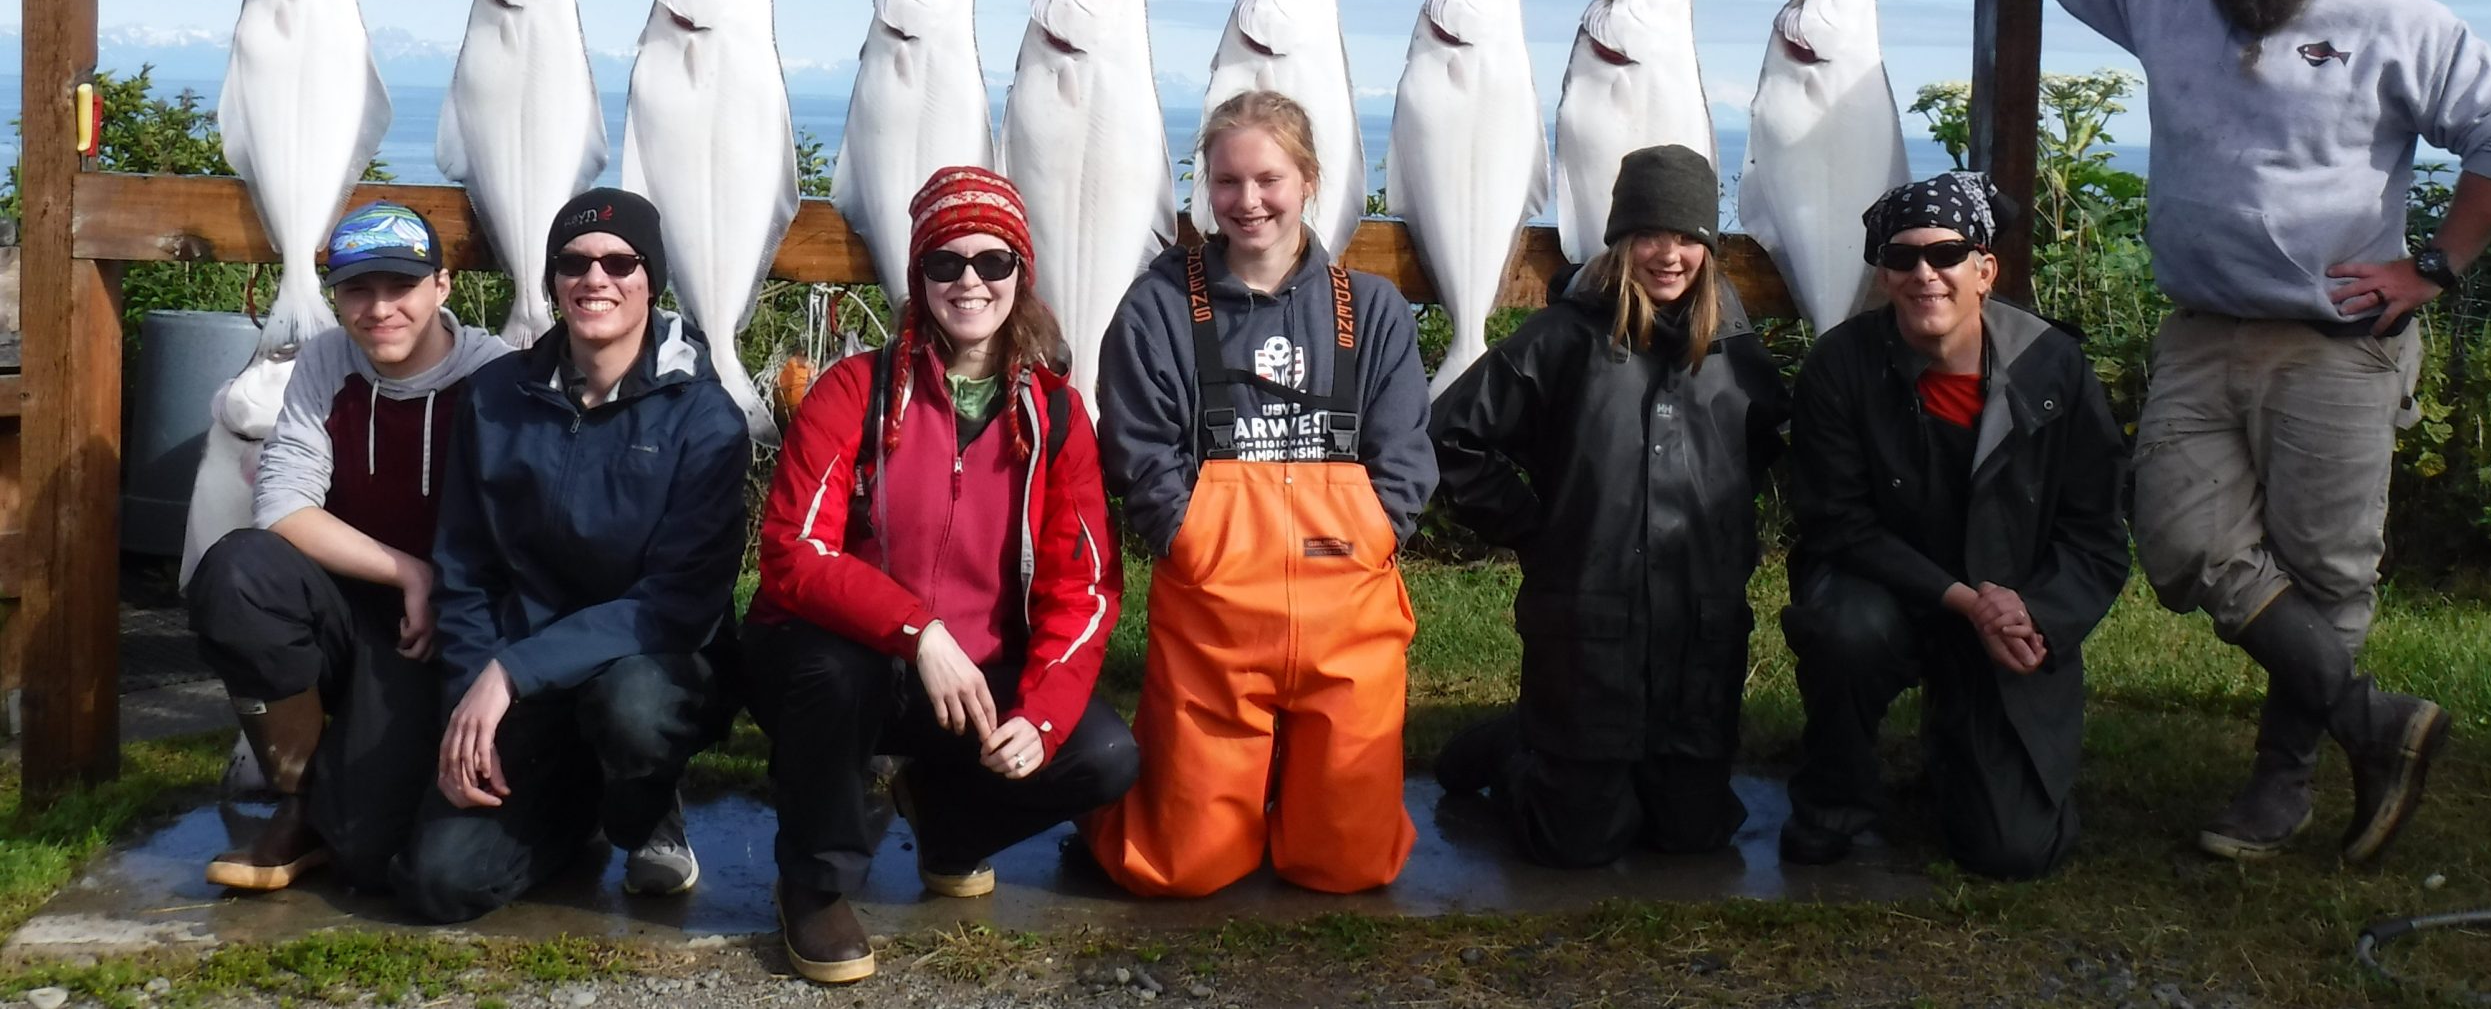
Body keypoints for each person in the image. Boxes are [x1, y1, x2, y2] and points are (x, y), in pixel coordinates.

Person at [1882, 0, 2491, 862]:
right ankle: (2375, 722)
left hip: (2339, 345)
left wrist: (2433, 263)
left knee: (2327, 571)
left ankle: (2280, 786)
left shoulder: (2391, 16)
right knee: (2181, 540)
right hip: (2200, 329)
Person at [746, 165, 1136, 984]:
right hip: (850, 662)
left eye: (993, 262)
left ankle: (950, 823)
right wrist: (917, 631)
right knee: (835, 666)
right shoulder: (853, 390)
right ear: (918, 277)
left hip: (975, 675)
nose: (970, 280)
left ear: (1020, 275)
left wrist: (1043, 715)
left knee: (1102, 754)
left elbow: (1086, 588)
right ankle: (813, 883)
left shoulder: (1058, 414)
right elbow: (790, 551)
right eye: (945, 262)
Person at [1082, 89, 1437, 897]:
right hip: (1212, 621)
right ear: (1205, 187)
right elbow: (1139, 455)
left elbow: (1408, 461)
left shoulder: (1373, 308)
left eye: (1269, 178)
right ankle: (1105, 808)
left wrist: (1371, 536)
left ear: (1309, 178)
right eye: (1226, 181)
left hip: (1349, 620)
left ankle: (1293, 800)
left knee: (1346, 866)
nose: (1249, 201)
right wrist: (1197, 541)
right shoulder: (1157, 309)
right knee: (1178, 867)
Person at [393, 188, 750, 923]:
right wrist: (472, 699)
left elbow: (679, 600)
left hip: (655, 665)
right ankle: (578, 803)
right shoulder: (494, 395)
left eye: (621, 262)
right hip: (525, 680)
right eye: (574, 262)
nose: (596, 278)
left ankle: (645, 808)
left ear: (652, 280)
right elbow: (465, 570)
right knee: (439, 883)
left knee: (632, 707)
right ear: (553, 280)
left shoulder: (706, 416)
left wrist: (510, 670)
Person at [1428, 146, 1787, 867]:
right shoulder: (1560, 339)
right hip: (1587, 634)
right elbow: (1451, 436)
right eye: (1649, 232)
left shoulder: (1739, 353)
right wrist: (1532, 526)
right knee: (1578, 841)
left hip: (1698, 636)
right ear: (1621, 240)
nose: (1669, 252)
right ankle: (1514, 746)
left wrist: (1730, 540)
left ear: (1708, 248)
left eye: (1687, 235)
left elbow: (1768, 454)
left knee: (1693, 834)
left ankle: (1613, 764)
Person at [1781, 173, 2130, 880]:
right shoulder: (1839, 366)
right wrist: (1968, 601)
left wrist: (2036, 615)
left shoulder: (2054, 367)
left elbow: (2096, 535)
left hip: (2011, 613)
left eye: (1945, 254)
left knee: (2013, 849)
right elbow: (1836, 523)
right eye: (1902, 258)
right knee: (1843, 630)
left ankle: (1960, 741)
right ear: (1882, 275)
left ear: (1984, 269)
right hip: (1890, 593)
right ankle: (1837, 794)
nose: (1924, 274)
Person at [187, 202, 513, 891]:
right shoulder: (326, 360)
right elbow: (281, 503)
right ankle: (299, 796)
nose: (380, 308)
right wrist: (409, 572)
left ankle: (357, 799)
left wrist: (441, 591)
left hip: (448, 629)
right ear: (335, 294)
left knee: (368, 854)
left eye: (402, 286)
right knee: (235, 572)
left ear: (442, 286)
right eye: (359, 289)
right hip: (346, 600)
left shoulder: (498, 373)